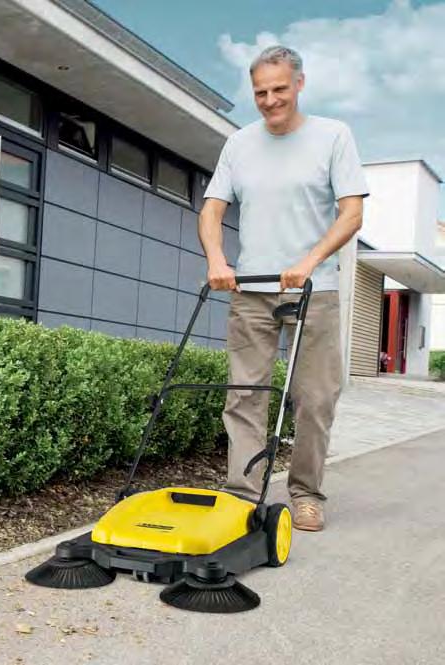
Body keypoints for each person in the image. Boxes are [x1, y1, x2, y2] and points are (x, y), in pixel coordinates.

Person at [198, 45, 369, 531]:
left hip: (316, 287)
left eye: (278, 89)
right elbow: (212, 209)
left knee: (314, 396)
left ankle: (306, 493)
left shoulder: (334, 136)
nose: (270, 100)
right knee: (244, 394)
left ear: (299, 84)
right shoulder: (239, 144)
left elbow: (352, 213)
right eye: (260, 92)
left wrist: (308, 261)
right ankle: (242, 495)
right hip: (250, 288)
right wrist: (216, 259)